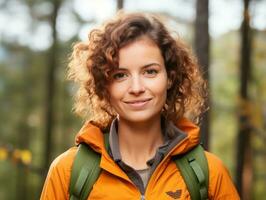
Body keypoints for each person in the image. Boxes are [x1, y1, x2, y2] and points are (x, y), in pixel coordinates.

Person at [40, 11, 240, 200]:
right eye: (120, 75)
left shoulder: (210, 174)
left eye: (150, 72)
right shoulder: (67, 172)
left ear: (169, 77)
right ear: (104, 85)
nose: (136, 87)